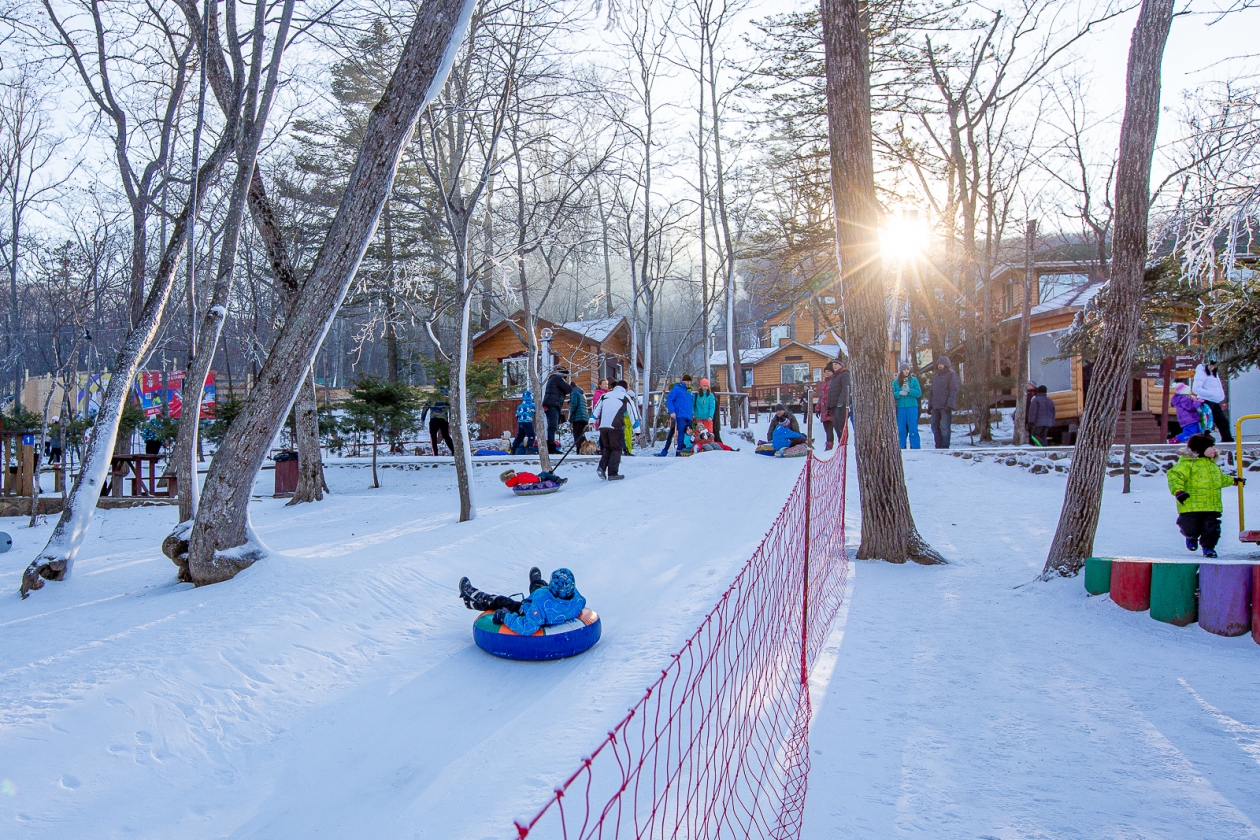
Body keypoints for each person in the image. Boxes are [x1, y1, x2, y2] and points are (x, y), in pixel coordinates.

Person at [1166, 433, 1244, 559]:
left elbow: (1220, 479)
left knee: (1212, 529)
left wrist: (1233, 481)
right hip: (1191, 505)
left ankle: (1209, 547)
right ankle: (1191, 537)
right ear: (1200, 449)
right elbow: (1175, 476)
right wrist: (1178, 491)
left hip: (1212, 505)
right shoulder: (1187, 463)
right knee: (1190, 526)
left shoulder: (1212, 465)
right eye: (1210, 446)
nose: (1214, 449)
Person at [459, 567, 586, 634]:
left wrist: (505, 617)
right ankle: (537, 582)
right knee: (539, 588)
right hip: (550, 604)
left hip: (526, 610)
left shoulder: (540, 608)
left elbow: (528, 627)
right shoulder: (577, 599)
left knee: (501, 601)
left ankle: (474, 598)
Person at [593, 379, 638, 480]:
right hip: (615, 426)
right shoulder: (625, 397)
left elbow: (596, 409)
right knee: (616, 448)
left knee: (607, 448)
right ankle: (613, 473)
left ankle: (601, 467)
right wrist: (637, 430)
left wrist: (592, 420)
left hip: (603, 427)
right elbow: (633, 415)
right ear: (625, 388)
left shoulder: (605, 395)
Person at [1193, 359, 1232, 443]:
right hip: (1206, 401)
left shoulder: (1214, 373)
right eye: (1211, 365)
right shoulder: (1201, 373)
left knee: (1222, 420)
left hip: (1214, 401)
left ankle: (1227, 439)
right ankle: (1204, 440)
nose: (1212, 367)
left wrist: (1218, 395)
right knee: (1207, 422)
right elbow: (1196, 388)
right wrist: (1211, 394)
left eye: (1214, 366)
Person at [927, 356, 960, 449]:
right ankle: (938, 445)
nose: (940, 366)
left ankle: (945, 446)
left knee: (945, 428)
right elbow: (932, 391)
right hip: (936, 406)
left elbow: (954, 389)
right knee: (934, 427)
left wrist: (949, 404)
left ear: (946, 365)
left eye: (942, 364)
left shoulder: (951, 375)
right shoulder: (936, 376)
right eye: (939, 364)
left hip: (945, 406)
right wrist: (930, 405)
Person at [542, 366, 572, 454]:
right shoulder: (558, 378)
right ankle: (551, 448)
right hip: (553, 404)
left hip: (552, 404)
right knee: (553, 425)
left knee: (552, 425)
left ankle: (551, 447)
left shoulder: (553, 378)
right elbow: (568, 389)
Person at [892, 362, 922, 450]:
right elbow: (892, 394)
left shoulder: (914, 380)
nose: (906, 371)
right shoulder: (895, 382)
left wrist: (909, 391)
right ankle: (901, 448)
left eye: (907, 369)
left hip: (912, 407)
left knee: (913, 429)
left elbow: (918, 393)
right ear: (901, 371)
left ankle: (916, 448)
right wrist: (899, 393)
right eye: (904, 369)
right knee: (901, 430)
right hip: (901, 407)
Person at [665, 374, 695, 456]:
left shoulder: (689, 392)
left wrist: (692, 413)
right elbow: (669, 400)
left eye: (689, 382)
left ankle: (687, 451)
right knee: (681, 433)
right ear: (683, 381)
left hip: (688, 415)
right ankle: (679, 452)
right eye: (687, 381)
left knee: (689, 434)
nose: (688, 383)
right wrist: (672, 411)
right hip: (680, 414)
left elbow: (691, 404)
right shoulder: (677, 389)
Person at [422, 389, 455, 456]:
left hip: (434, 419)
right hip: (443, 420)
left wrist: (422, 419)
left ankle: (435, 454)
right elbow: (451, 410)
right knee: (446, 436)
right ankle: (454, 451)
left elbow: (425, 408)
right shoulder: (447, 399)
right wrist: (451, 420)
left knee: (433, 436)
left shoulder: (432, 398)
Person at [826, 357, 851, 442]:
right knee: (836, 425)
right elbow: (831, 392)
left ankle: (844, 442)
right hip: (833, 404)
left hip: (840, 405)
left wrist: (841, 401)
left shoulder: (845, 374)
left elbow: (845, 388)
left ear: (841, 365)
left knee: (841, 425)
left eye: (836, 364)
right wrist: (829, 405)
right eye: (833, 364)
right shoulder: (834, 377)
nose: (834, 366)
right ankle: (840, 441)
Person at [816, 365, 835, 451]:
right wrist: (818, 408)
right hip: (824, 410)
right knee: (827, 428)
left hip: (832, 408)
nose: (827, 373)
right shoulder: (823, 384)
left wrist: (831, 406)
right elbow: (821, 397)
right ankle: (828, 444)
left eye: (829, 371)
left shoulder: (834, 382)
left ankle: (835, 444)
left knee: (834, 428)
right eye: (825, 372)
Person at [512, 389, 537, 455]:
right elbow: (535, 411)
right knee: (531, 435)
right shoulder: (532, 404)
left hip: (521, 422)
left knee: (520, 436)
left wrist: (519, 421)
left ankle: (513, 448)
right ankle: (530, 448)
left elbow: (517, 414)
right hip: (527, 421)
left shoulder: (520, 405)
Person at [499, 468, 564, 491]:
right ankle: (558, 480)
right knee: (544, 474)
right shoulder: (519, 478)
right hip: (537, 479)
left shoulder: (517, 476)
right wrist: (538, 479)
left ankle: (553, 477)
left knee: (545, 474)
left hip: (536, 477)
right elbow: (528, 480)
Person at [569, 377, 589, 449]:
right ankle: (586, 448)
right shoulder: (581, 393)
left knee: (577, 434)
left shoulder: (574, 392)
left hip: (578, 417)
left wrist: (571, 415)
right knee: (581, 434)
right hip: (584, 417)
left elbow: (574, 404)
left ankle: (580, 449)